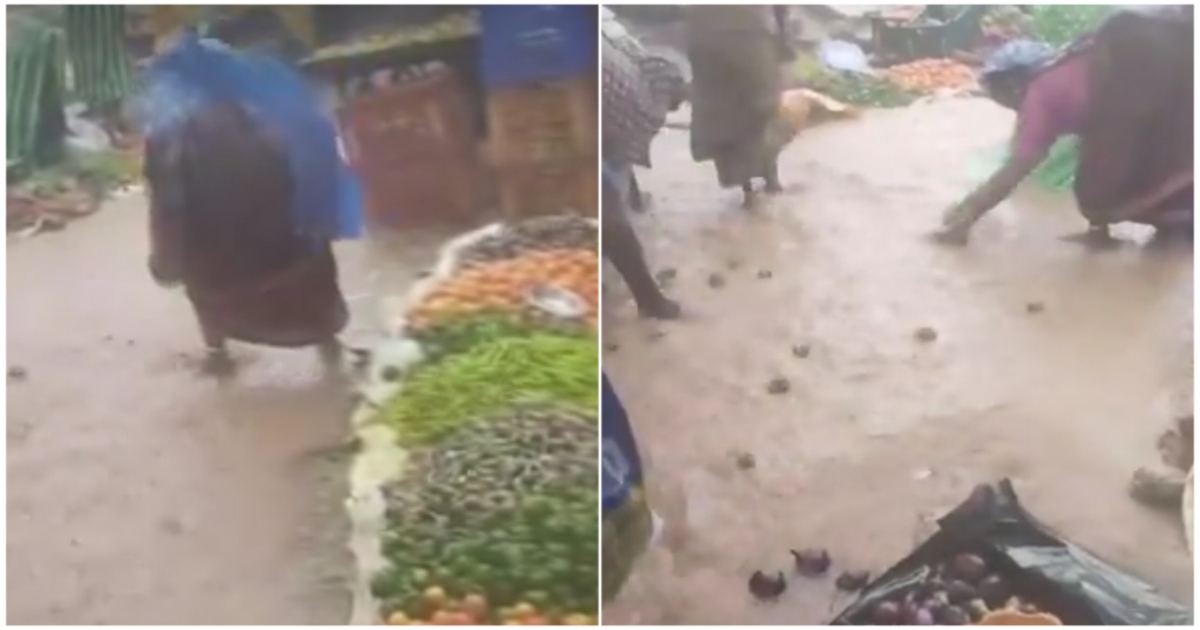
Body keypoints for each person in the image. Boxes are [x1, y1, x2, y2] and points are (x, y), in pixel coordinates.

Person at [141, 33, 361, 375]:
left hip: (220, 284)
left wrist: (165, 266)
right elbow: (324, 188)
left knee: (196, 262)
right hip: (298, 270)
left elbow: (168, 216)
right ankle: (328, 348)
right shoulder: (281, 114)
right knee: (308, 240)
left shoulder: (168, 140)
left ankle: (218, 355)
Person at [936, 9, 1193, 246]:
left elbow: (1018, 166)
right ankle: (1108, 236)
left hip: (1159, 116)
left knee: (1107, 195)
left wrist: (969, 212)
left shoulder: (1039, 94)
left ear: (1012, 85)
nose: (1006, 106)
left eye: (1000, 96)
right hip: (1171, 102)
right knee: (1101, 176)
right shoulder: (1073, 61)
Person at [601, 9, 683, 320]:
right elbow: (625, 143)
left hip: (603, 118)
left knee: (614, 180)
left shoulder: (623, 48)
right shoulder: (643, 105)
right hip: (599, 121)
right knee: (612, 218)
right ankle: (648, 300)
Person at [685, 6, 791, 209]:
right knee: (762, 111)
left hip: (706, 40)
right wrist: (785, 46)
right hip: (750, 37)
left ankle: (748, 189)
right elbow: (781, 12)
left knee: (724, 116)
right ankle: (769, 181)